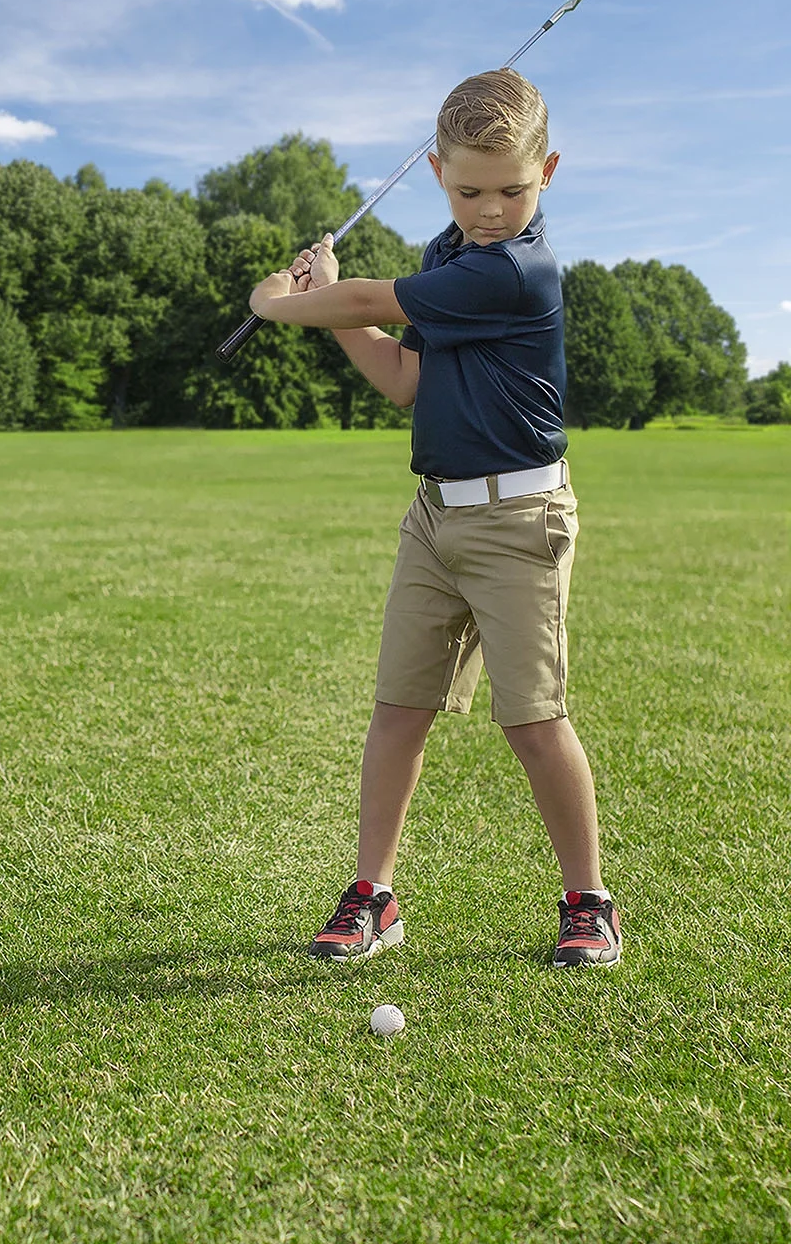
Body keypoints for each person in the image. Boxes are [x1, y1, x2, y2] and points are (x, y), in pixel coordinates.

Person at [247, 68, 620, 967]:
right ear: (435, 171)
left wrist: (279, 301)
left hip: (520, 518)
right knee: (399, 709)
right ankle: (374, 895)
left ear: (549, 171)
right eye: (468, 189)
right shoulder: (449, 257)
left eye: (512, 188)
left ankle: (588, 899)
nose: (490, 209)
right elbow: (405, 378)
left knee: (532, 720)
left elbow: (376, 302)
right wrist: (329, 302)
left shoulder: (518, 270)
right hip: (435, 517)